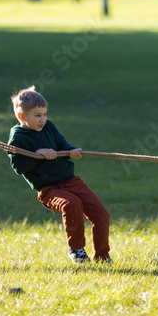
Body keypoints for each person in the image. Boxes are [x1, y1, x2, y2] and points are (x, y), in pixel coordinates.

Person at [7, 86, 111, 264]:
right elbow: (19, 167)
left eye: (45, 114)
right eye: (38, 115)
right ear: (21, 117)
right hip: (49, 189)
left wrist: (71, 151)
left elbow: (62, 143)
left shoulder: (48, 126)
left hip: (71, 181)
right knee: (71, 204)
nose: (43, 120)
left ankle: (102, 256)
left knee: (101, 214)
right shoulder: (18, 137)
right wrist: (39, 155)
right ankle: (76, 249)